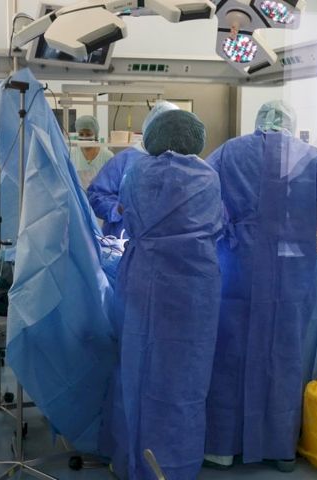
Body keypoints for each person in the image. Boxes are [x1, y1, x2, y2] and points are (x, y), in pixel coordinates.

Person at [203, 100, 317, 471]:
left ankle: (221, 447)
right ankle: (280, 448)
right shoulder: (310, 158)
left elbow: (202, 198)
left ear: (258, 120)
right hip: (289, 276)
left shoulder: (229, 153)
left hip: (238, 270)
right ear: (291, 123)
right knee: (284, 359)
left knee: (230, 356)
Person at [107, 109, 223, 480]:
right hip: (195, 286)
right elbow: (217, 223)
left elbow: (124, 214)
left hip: (145, 278)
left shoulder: (137, 172)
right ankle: (177, 463)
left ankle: (133, 459)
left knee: (137, 368)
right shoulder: (208, 176)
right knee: (187, 376)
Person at [87, 101, 179, 238]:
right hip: (123, 241)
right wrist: (118, 209)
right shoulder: (124, 160)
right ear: (151, 130)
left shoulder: (179, 162)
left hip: (163, 242)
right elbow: (96, 195)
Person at [70, 115, 113, 189]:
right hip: (78, 196)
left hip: (101, 195)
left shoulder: (108, 156)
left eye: (88, 134)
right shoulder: (71, 154)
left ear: (96, 135)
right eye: (81, 134)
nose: (84, 137)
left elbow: (112, 182)